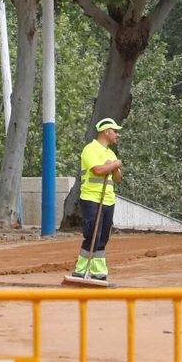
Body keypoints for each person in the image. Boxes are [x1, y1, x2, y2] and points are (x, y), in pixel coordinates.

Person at [72, 117, 123, 282]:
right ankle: (81, 270)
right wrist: (113, 165)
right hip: (92, 198)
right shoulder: (91, 149)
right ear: (106, 131)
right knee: (92, 234)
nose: (117, 135)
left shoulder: (111, 153)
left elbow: (117, 178)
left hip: (108, 200)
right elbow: (98, 170)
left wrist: (114, 167)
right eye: (115, 131)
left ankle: (99, 272)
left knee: (103, 237)